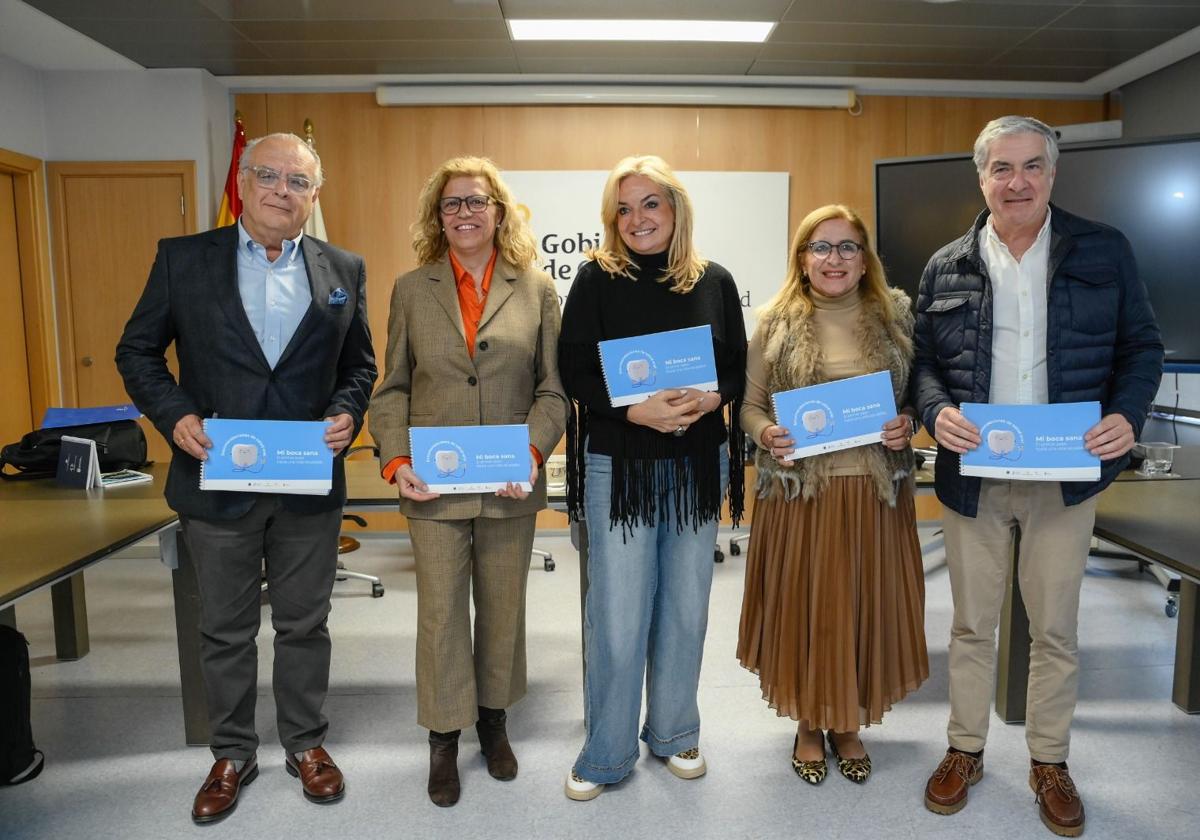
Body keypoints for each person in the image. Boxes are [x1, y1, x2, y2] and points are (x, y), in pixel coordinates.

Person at [115, 133, 377, 823]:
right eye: (268, 175)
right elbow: (137, 350)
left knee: (304, 624)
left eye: (297, 182)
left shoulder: (342, 267)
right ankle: (230, 752)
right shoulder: (183, 260)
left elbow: (359, 367)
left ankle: (305, 745)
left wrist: (349, 412)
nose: (280, 191)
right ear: (242, 179)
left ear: (312, 197)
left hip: (306, 484)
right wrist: (173, 416)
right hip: (217, 479)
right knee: (225, 629)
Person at [913, 116, 1163, 837]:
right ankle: (965, 750)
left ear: (1052, 175)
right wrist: (934, 409)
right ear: (981, 177)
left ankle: (1048, 760)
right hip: (975, 476)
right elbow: (924, 361)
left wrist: (1129, 412)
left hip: (1066, 474)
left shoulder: (1104, 250)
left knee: (1054, 628)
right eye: (1001, 168)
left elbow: (1141, 346)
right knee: (970, 626)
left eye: (1030, 167)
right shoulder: (946, 264)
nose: (1015, 181)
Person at [369, 156, 566, 807]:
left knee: (503, 612)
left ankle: (494, 721)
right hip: (434, 488)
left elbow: (553, 392)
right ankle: (443, 738)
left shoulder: (535, 289)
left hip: (510, 486)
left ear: (498, 211)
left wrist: (532, 454)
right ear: (438, 216)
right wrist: (397, 462)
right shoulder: (410, 288)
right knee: (442, 616)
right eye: (452, 203)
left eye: (476, 201)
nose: (465, 213)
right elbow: (392, 389)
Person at [558, 154, 746, 801]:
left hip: (696, 464)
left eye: (651, 204)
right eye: (625, 206)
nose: (637, 218)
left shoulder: (714, 281)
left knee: (686, 605)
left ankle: (674, 733)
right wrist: (634, 408)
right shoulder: (594, 279)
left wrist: (710, 401)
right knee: (617, 611)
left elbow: (736, 372)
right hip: (621, 466)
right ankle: (606, 752)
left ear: (676, 209)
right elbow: (575, 372)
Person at [736, 204, 929, 785]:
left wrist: (909, 422)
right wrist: (765, 433)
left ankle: (847, 722)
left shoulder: (896, 314)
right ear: (801, 257)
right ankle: (806, 724)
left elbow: (917, 396)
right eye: (821, 247)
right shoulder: (774, 321)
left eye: (848, 247)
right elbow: (747, 408)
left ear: (865, 256)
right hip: (801, 498)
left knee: (861, 608)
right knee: (808, 611)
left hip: (876, 496)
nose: (835, 259)